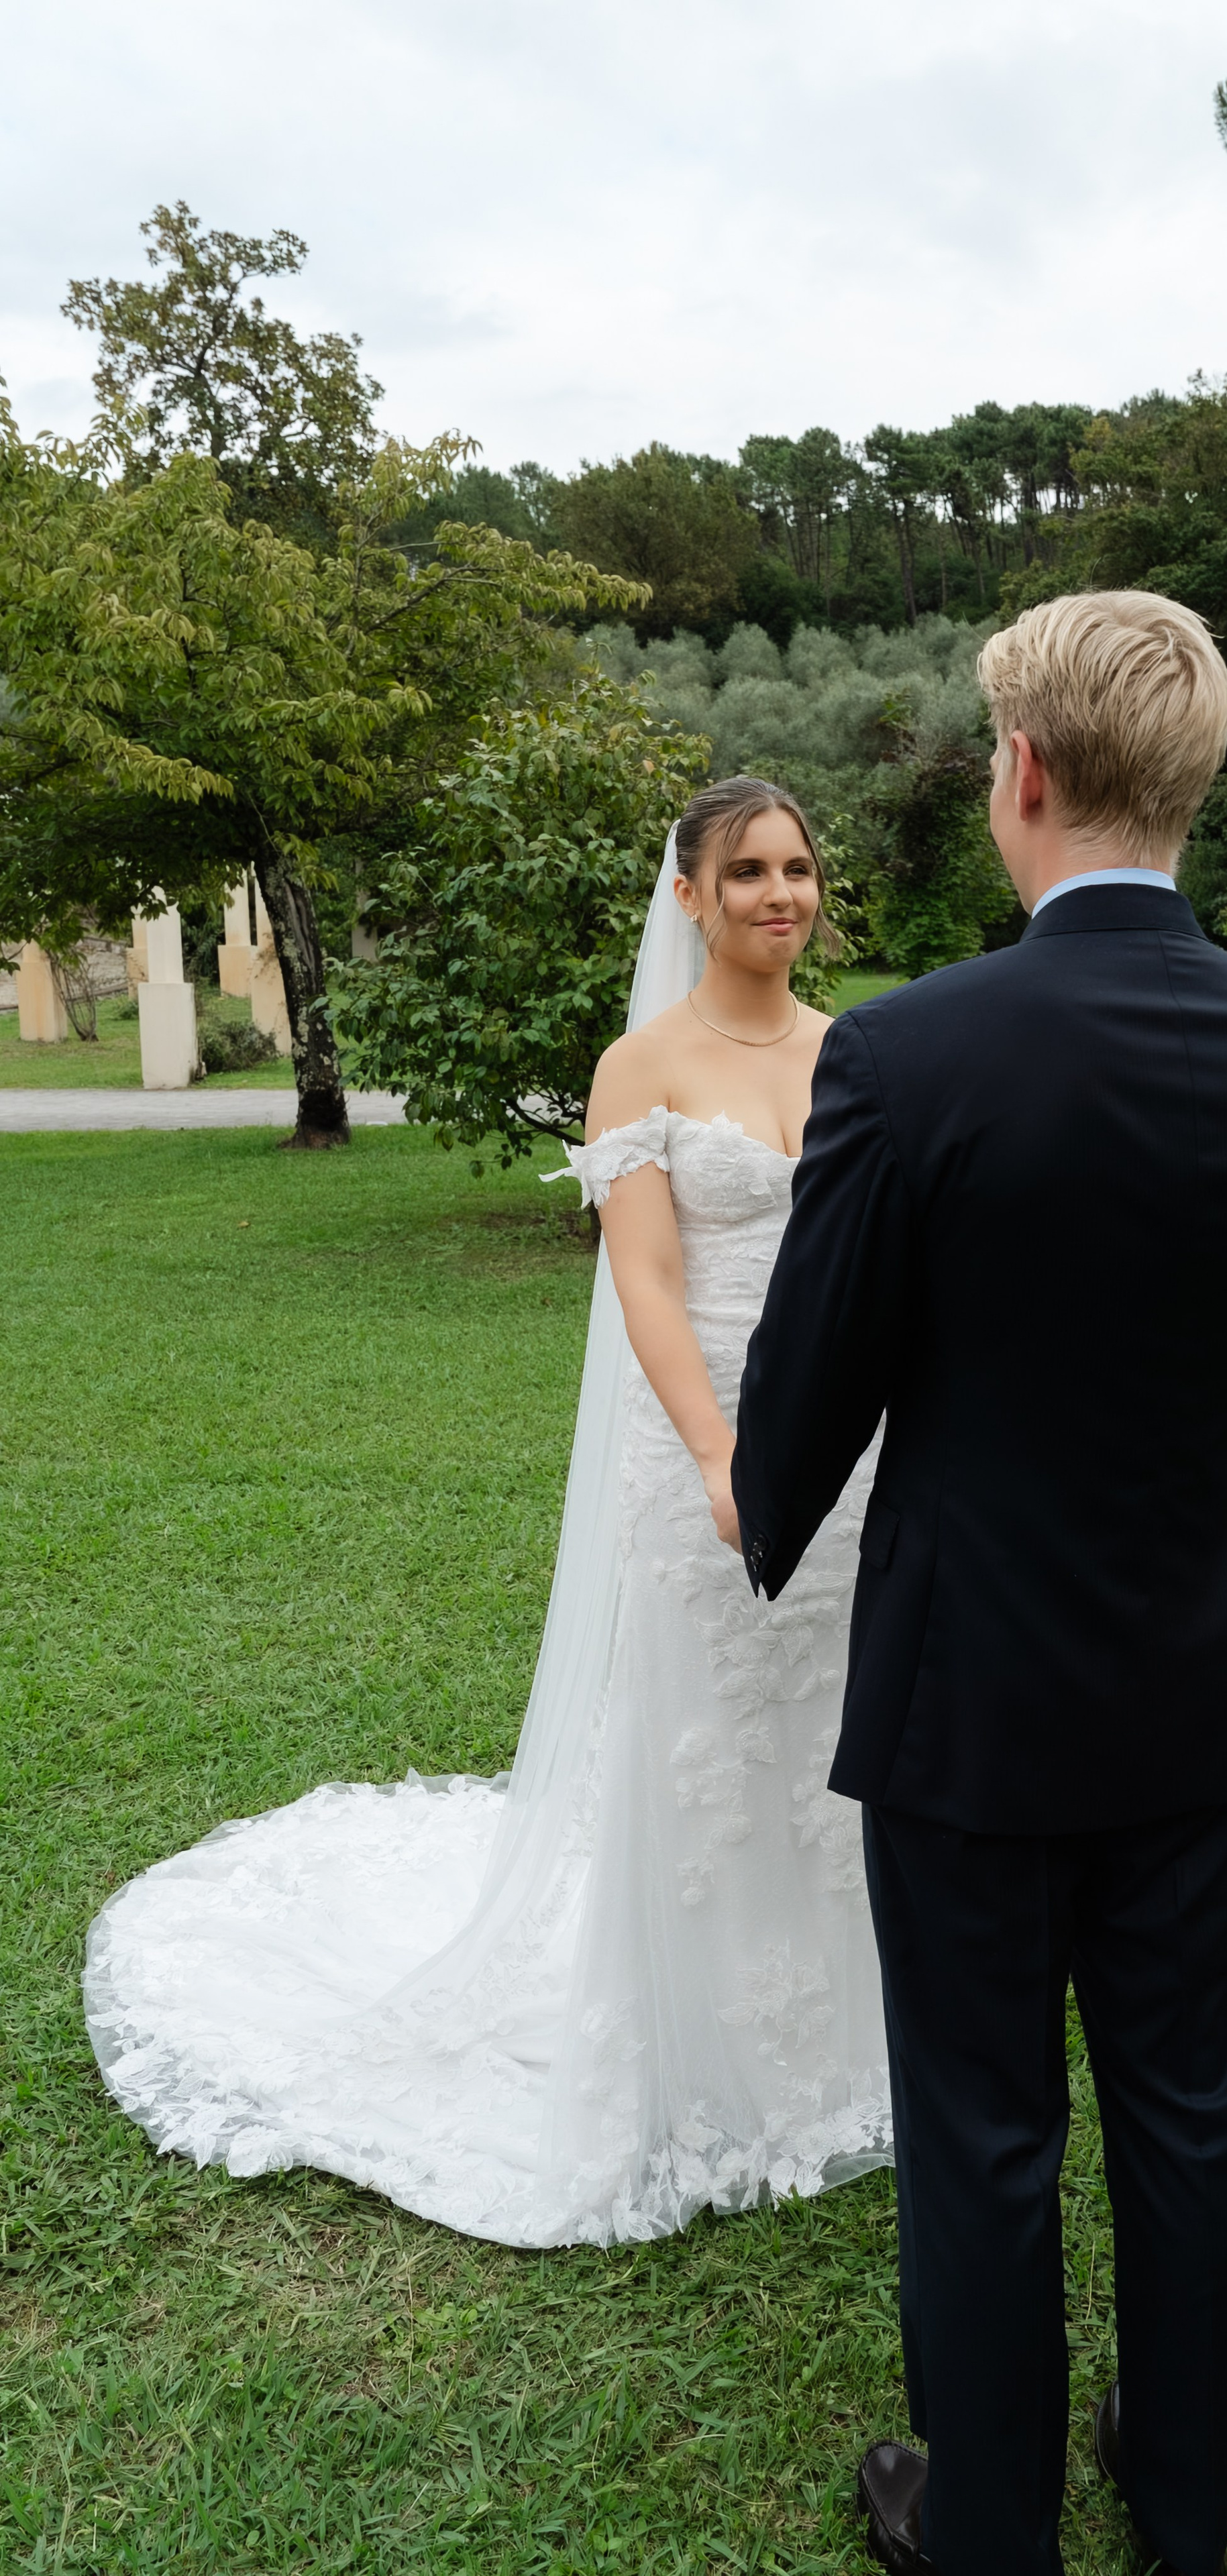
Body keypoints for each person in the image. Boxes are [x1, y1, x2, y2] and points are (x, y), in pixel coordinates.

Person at [730, 594, 1227, 2576]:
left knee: (984, 2124)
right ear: (1190, 782)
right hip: (1190, 1671)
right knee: (1194, 2108)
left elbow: (812, 1390)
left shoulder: (911, 1052)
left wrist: (765, 1509)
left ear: (1020, 773)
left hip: (969, 1693)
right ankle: (1178, 2502)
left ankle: (991, 2525)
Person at [84, 777, 892, 2247]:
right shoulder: (639, 1067)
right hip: (704, 1436)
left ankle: (838, 2047)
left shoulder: (854, 1056)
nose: (782, 893)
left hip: (847, 1443)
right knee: (708, 1736)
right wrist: (719, 1453)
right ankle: (690, 2057)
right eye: (749, 872)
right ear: (690, 897)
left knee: (828, 1727)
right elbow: (642, 1278)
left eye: (797, 868)